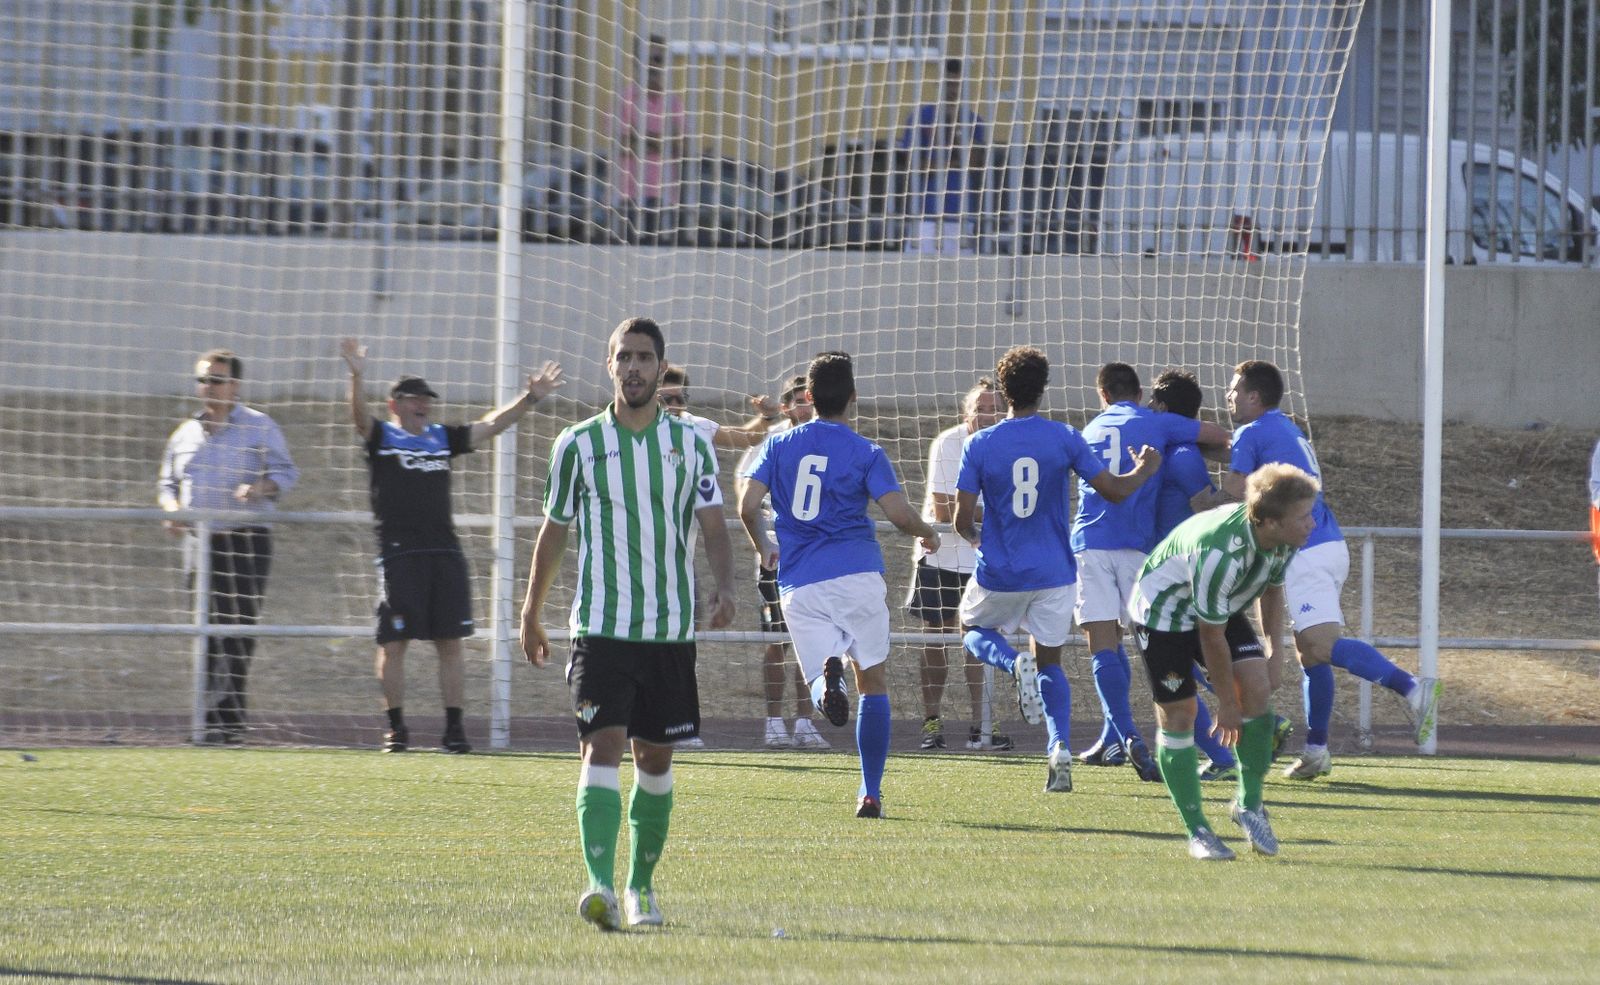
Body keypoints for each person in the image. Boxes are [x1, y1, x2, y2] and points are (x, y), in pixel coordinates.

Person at [521, 316, 736, 932]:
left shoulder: (690, 444)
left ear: (660, 368)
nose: (635, 367)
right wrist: (530, 611)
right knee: (601, 747)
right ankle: (598, 886)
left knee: (655, 759)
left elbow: (715, 527)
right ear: (609, 366)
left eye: (646, 358)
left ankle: (641, 889)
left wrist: (724, 588)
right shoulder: (577, 444)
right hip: (601, 628)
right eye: (625, 357)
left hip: (669, 631)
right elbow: (554, 531)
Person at [738, 351, 939, 819]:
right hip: (858, 575)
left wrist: (764, 544)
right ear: (853, 399)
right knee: (873, 681)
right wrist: (927, 532)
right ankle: (870, 791)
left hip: (801, 582)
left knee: (815, 681)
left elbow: (748, 505)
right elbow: (898, 513)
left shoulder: (778, 445)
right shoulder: (866, 452)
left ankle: (828, 680)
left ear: (808, 397)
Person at [341, 337, 565, 754]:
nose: (423, 405)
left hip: (444, 555)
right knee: (393, 645)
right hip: (398, 556)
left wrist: (529, 398)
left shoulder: (441, 438)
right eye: (414, 399)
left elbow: (491, 424)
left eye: (427, 399)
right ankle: (397, 730)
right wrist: (357, 376)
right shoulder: (383, 437)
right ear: (396, 404)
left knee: (451, 643)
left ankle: (454, 730)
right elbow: (358, 420)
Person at [953, 346, 1160, 793]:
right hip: (1055, 571)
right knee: (1052, 662)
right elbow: (1114, 491)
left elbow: (961, 517)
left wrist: (977, 538)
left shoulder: (979, 443)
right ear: (1043, 390)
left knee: (970, 627)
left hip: (1001, 570)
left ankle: (1011, 662)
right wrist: (1143, 469)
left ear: (1004, 391)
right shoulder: (1066, 437)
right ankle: (1059, 747)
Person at [1222, 360, 1439, 780]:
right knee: (1309, 654)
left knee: (1320, 645)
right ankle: (1317, 749)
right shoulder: (1284, 428)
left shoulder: (1253, 431)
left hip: (1306, 550)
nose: (1228, 397)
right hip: (1327, 544)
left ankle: (1413, 689)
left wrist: (1198, 501)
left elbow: (1233, 488)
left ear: (1253, 396)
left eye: (1234, 390)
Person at [1129, 463, 1319, 860]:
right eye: (1303, 517)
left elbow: (1270, 590)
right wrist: (1226, 706)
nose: (1312, 524)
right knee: (1180, 715)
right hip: (1163, 614)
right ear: (1269, 521)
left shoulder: (1282, 540)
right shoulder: (1221, 551)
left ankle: (1248, 805)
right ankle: (1197, 830)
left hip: (1216, 606)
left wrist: (1274, 652)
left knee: (1258, 690)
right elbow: (1209, 634)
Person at [1071, 362, 1231, 783]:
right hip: (1139, 548)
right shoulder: (1158, 424)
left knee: (1104, 646)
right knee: (1156, 653)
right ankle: (1125, 740)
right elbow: (1218, 437)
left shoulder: (1087, 430)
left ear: (1101, 394)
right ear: (1141, 394)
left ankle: (1126, 736)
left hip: (1090, 541)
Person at [159, 348, 299, 744]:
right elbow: (167, 483)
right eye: (202, 380)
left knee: (236, 631)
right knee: (205, 630)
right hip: (199, 542)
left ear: (235, 386)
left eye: (216, 380)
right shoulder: (185, 432)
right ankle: (205, 724)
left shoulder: (259, 427)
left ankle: (229, 724)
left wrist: (259, 488)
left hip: (245, 539)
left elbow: (287, 472)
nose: (207, 388)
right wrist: (172, 509)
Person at [656, 362, 780, 751]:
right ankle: (636, 722)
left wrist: (765, 417)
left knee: (681, 645)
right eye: (668, 398)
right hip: (631, 560)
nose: (676, 405)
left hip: (678, 562)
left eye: (681, 398)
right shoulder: (627, 432)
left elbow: (742, 438)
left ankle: (681, 725)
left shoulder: (695, 427)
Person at [908, 376, 1012, 752]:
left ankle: (982, 723)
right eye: (980, 408)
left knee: (980, 641)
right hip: (943, 557)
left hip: (985, 561)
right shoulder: (949, 443)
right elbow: (944, 508)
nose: (987, 415)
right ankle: (931, 721)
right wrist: (997, 515)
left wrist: (987, 516)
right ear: (966, 412)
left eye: (994, 408)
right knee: (936, 640)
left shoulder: (1008, 444)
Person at [734, 374, 828, 750]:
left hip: (817, 559)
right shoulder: (768, 443)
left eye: (809, 399)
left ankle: (805, 720)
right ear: (787, 404)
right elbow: (746, 500)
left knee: (812, 640)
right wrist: (763, 546)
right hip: (777, 556)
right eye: (797, 399)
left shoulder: (827, 440)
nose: (804, 406)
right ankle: (774, 721)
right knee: (776, 642)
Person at [897, 57, 989, 255]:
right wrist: (955, 160)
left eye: (958, 84)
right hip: (924, 215)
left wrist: (936, 162)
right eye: (949, 84)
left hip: (960, 215)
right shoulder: (921, 118)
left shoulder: (973, 121)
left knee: (960, 278)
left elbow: (973, 163)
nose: (953, 90)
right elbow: (914, 165)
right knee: (917, 274)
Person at [614, 34, 687, 245]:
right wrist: (662, 140)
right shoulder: (625, 99)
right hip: (628, 198)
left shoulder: (673, 103)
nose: (654, 65)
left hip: (664, 199)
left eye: (659, 59)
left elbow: (682, 146)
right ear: (637, 61)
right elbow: (622, 145)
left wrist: (640, 135)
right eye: (649, 58)